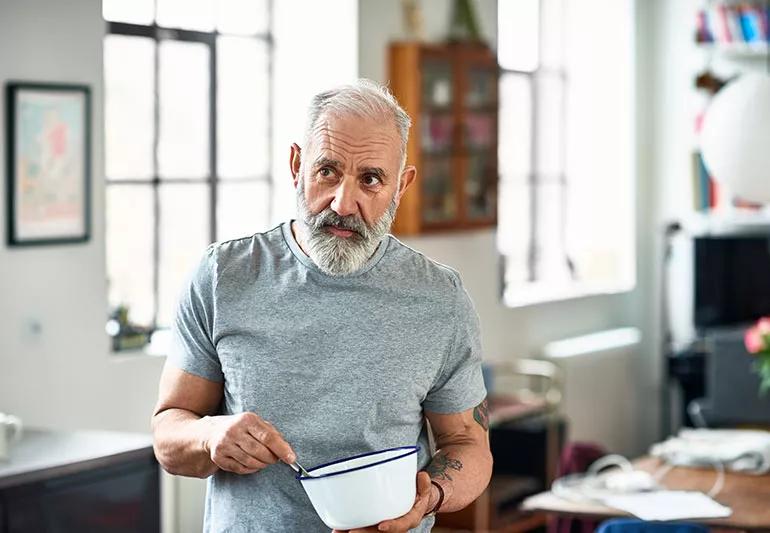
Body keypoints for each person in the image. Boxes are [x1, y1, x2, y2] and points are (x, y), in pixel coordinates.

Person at [151, 79, 492, 533]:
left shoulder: (439, 298)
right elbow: (168, 433)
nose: (342, 202)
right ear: (297, 165)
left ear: (401, 186)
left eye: (370, 179)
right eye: (327, 171)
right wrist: (210, 436)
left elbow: (467, 443)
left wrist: (428, 497)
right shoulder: (222, 277)